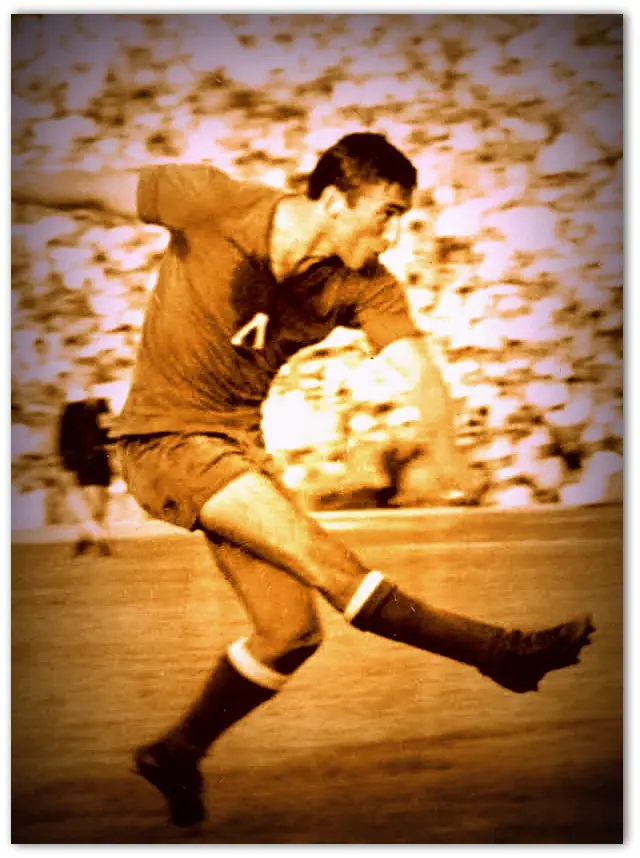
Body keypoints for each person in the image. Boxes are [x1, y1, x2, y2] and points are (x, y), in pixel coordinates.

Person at [12, 133, 595, 828]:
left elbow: (419, 368)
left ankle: (176, 751)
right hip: (166, 442)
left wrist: (447, 451)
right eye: (386, 213)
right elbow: (85, 186)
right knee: (332, 566)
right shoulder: (210, 200)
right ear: (334, 200)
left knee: (290, 634)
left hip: (237, 449)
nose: (394, 233)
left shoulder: (364, 282)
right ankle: (500, 653)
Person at [56, 378, 114, 557]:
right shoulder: (71, 410)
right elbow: (64, 439)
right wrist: (68, 463)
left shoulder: (102, 406)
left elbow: (109, 432)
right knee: (94, 503)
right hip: (83, 463)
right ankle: (101, 540)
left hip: (101, 461)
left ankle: (85, 539)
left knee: (100, 504)